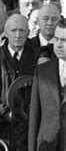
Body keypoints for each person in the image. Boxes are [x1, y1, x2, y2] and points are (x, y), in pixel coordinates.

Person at [0, 14, 39, 150]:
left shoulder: (38, 57)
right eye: (13, 30)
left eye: (22, 30)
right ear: (5, 32)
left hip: (31, 127)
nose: (18, 35)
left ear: (28, 32)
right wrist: (2, 112)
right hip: (1, 128)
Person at [28, 19, 66, 151]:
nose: (59, 44)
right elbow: (34, 114)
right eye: (56, 39)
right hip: (47, 143)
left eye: (64, 40)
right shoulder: (42, 71)